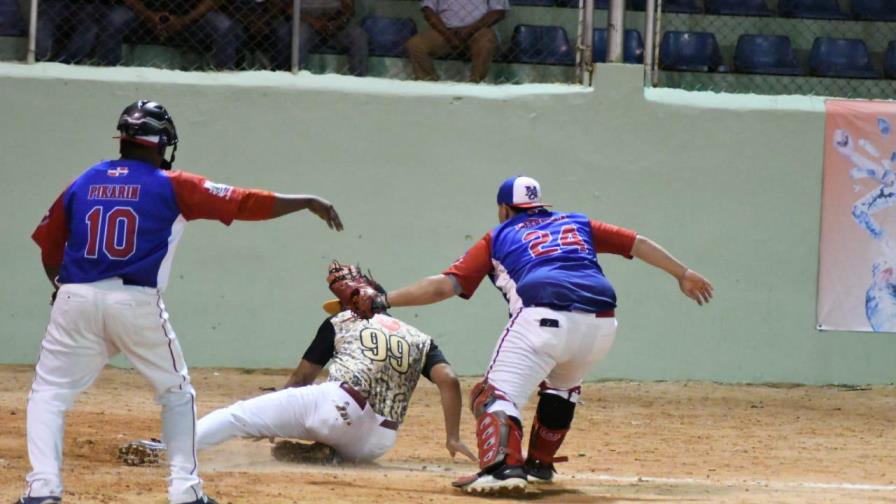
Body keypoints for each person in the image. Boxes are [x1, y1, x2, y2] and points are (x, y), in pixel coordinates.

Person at [19, 100, 344, 504]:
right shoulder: (171, 183)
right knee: (176, 393)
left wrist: (61, 288)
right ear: (162, 143)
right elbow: (242, 202)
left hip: (74, 297)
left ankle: (43, 490)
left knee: (49, 393)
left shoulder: (84, 180)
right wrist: (306, 200)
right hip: (135, 301)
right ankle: (185, 491)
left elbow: (49, 248)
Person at [342, 175, 714, 494]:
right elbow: (637, 242)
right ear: (540, 205)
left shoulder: (499, 235)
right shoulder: (576, 222)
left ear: (505, 209)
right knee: (562, 388)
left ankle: (502, 468)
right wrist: (683, 273)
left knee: (493, 397)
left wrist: (383, 300)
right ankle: (539, 464)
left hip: (542, 316)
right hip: (601, 324)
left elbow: (446, 285)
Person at [119, 267, 475, 467]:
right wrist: (452, 436)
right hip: (379, 441)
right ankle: (331, 450)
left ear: (358, 301)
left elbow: (302, 379)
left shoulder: (345, 321)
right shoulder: (419, 337)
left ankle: (171, 449)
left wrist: (272, 418)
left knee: (239, 416)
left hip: (337, 408)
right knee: (333, 425)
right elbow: (448, 379)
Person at [95, 0, 245, 68]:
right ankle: (107, 71)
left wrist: (184, 20)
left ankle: (224, 76)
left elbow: (212, 2)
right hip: (142, 16)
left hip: (190, 18)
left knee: (224, 26)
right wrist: (149, 16)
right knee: (114, 20)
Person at [405, 0, 509, 83]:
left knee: (486, 41)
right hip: (445, 31)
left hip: (479, 30)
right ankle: (429, 86)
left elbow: (498, 13)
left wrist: (470, 31)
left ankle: (474, 85)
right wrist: (448, 36)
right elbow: (428, 11)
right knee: (415, 45)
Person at [270, 0, 369, 76]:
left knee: (358, 35)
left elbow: (349, 8)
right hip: (305, 22)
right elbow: (288, 8)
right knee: (300, 32)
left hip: (334, 25)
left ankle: (359, 78)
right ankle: (299, 75)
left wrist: (337, 23)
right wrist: (314, 22)